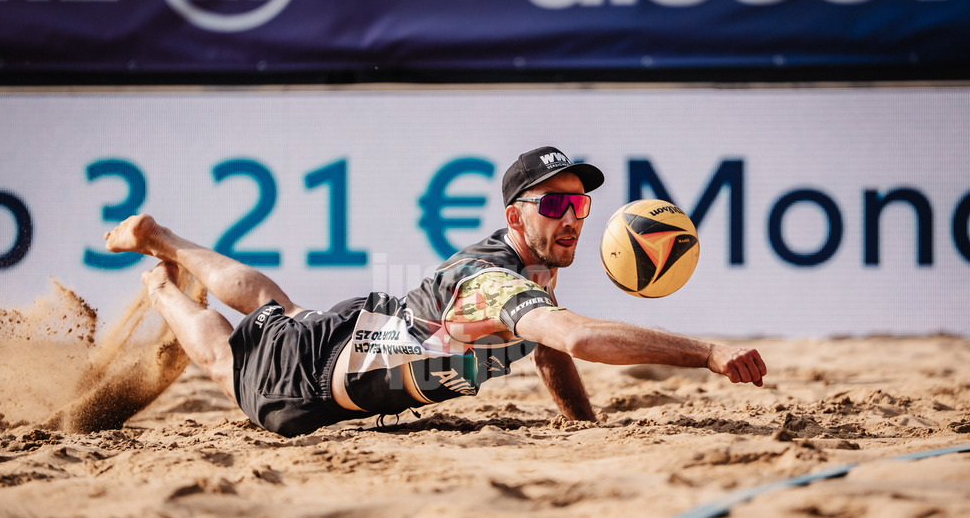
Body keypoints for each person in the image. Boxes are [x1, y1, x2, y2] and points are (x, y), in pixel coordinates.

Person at [104, 146, 766, 437]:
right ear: (515, 216)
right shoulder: (494, 281)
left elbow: (546, 347)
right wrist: (704, 352)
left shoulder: (531, 267)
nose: (572, 216)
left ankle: (166, 237)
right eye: (557, 202)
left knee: (277, 307)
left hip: (356, 334)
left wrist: (580, 424)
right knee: (227, 360)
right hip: (310, 378)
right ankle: (162, 280)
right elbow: (576, 338)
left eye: (582, 205)